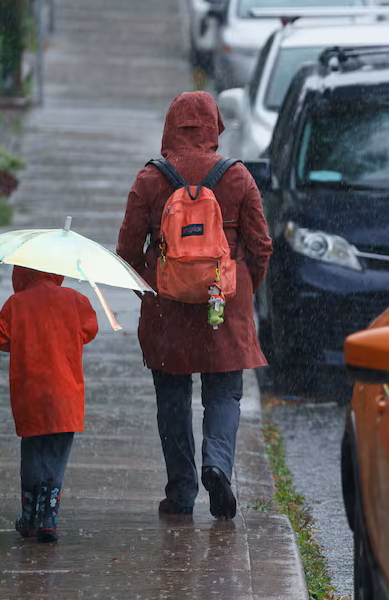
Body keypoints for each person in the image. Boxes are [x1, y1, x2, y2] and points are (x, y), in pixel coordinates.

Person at [116, 91, 273, 520]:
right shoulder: (238, 178)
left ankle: (182, 492)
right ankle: (217, 465)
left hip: (168, 309)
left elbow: (126, 250)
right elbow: (260, 246)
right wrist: (239, 290)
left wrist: (152, 291)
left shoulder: (150, 180)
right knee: (223, 393)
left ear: (170, 127)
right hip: (223, 306)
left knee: (172, 399)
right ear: (213, 128)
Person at [0, 266, 99, 543]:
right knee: (55, 455)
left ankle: (29, 517)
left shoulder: (15, 305)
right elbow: (90, 330)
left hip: (30, 394)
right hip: (65, 396)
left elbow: (0, 338)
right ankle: (49, 518)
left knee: (32, 453)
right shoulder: (75, 300)